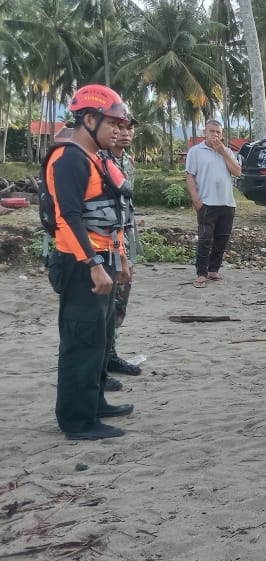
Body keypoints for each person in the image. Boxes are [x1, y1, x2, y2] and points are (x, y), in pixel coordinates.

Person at [43, 84, 134, 440]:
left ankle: (95, 401)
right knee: (81, 341)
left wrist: (120, 260)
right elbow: (69, 217)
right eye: (112, 122)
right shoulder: (68, 159)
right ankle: (77, 421)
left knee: (99, 337)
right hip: (81, 263)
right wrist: (94, 265)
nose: (118, 129)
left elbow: (114, 216)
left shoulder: (96, 157)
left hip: (103, 258)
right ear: (90, 118)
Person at [106, 117, 142, 377]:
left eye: (130, 128)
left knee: (120, 300)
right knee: (103, 303)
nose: (126, 133)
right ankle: (100, 359)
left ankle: (110, 354)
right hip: (103, 241)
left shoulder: (128, 162)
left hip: (125, 238)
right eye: (120, 127)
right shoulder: (97, 160)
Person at [186, 119, 242, 288]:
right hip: (207, 203)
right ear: (205, 132)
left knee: (221, 239)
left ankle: (213, 270)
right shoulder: (195, 151)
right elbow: (190, 176)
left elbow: (238, 172)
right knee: (205, 239)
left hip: (227, 203)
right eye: (212, 131)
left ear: (222, 135)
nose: (215, 135)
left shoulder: (228, 152)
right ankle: (201, 274)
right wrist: (196, 200)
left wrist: (223, 152)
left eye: (218, 132)